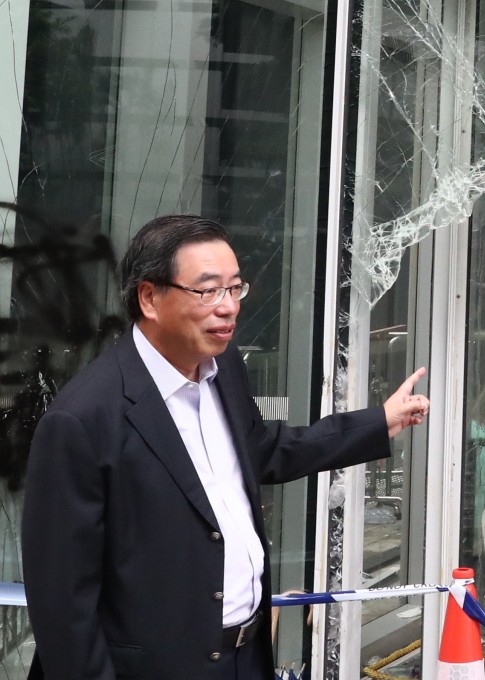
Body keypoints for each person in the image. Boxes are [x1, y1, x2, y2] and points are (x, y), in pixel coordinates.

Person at [21, 215, 430, 680]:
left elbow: (262, 449)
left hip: (246, 657)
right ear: (150, 298)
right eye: (208, 290)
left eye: (235, 289)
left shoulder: (224, 366)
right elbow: (63, 608)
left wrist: (378, 422)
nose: (228, 307)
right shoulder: (83, 420)